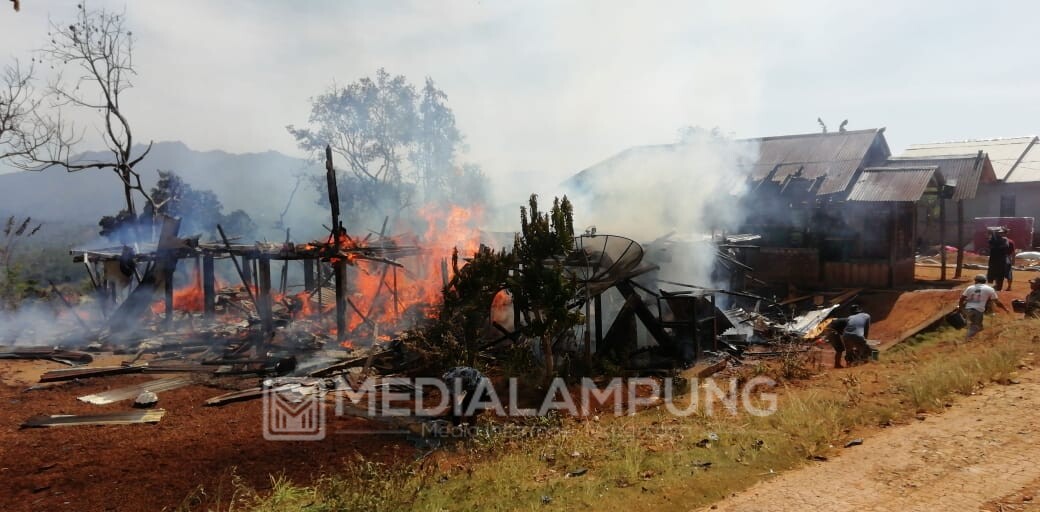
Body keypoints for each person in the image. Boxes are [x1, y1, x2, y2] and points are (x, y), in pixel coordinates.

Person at [959, 274, 1010, 340]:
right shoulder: (989, 289)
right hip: (978, 311)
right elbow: (997, 302)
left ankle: (975, 339)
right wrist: (1005, 308)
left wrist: (961, 308)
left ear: (976, 281)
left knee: (979, 327)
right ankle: (967, 340)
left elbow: (962, 298)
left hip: (967, 310)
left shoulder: (970, 288)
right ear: (985, 281)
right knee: (975, 326)